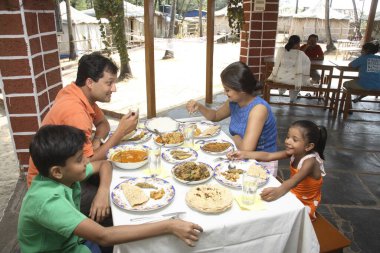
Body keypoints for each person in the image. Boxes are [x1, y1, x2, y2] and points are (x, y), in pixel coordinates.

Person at [18, 125, 203, 252]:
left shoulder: (65, 176)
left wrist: (103, 191)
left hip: (75, 242)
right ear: (57, 171)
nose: (86, 162)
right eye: (79, 159)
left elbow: (104, 164)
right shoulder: (47, 202)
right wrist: (170, 225)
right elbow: (104, 236)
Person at [27, 52, 138, 187]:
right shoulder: (75, 111)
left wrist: (96, 140)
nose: (114, 88)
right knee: (120, 187)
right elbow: (88, 164)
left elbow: (103, 124)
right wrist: (121, 132)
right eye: (109, 83)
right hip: (51, 186)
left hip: (68, 171)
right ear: (90, 83)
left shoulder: (78, 92)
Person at [186, 61, 278, 175]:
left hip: (261, 164)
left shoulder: (258, 109)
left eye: (228, 90)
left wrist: (235, 138)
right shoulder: (235, 101)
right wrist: (199, 106)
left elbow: (247, 150)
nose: (225, 93)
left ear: (242, 90)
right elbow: (215, 116)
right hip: (240, 154)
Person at [228, 120, 327, 221]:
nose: (288, 141)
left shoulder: (310, 162)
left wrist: (279, 190)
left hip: (304, 202)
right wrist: (244, 154)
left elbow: (294, 181)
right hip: (291, 191)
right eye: (288, 137)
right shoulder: (294, 152)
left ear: (308, 146)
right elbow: (268, 156)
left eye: (294, 140)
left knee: (271, 212)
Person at [268, 35, 311, 103]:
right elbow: (307, 62)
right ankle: (292, 99)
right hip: (292, 81)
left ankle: (281, 92)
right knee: (298, 78)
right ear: (297, 43)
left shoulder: (281, 50)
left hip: (279, 78)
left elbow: (277, 63)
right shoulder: (300, 53)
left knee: (292, 76)